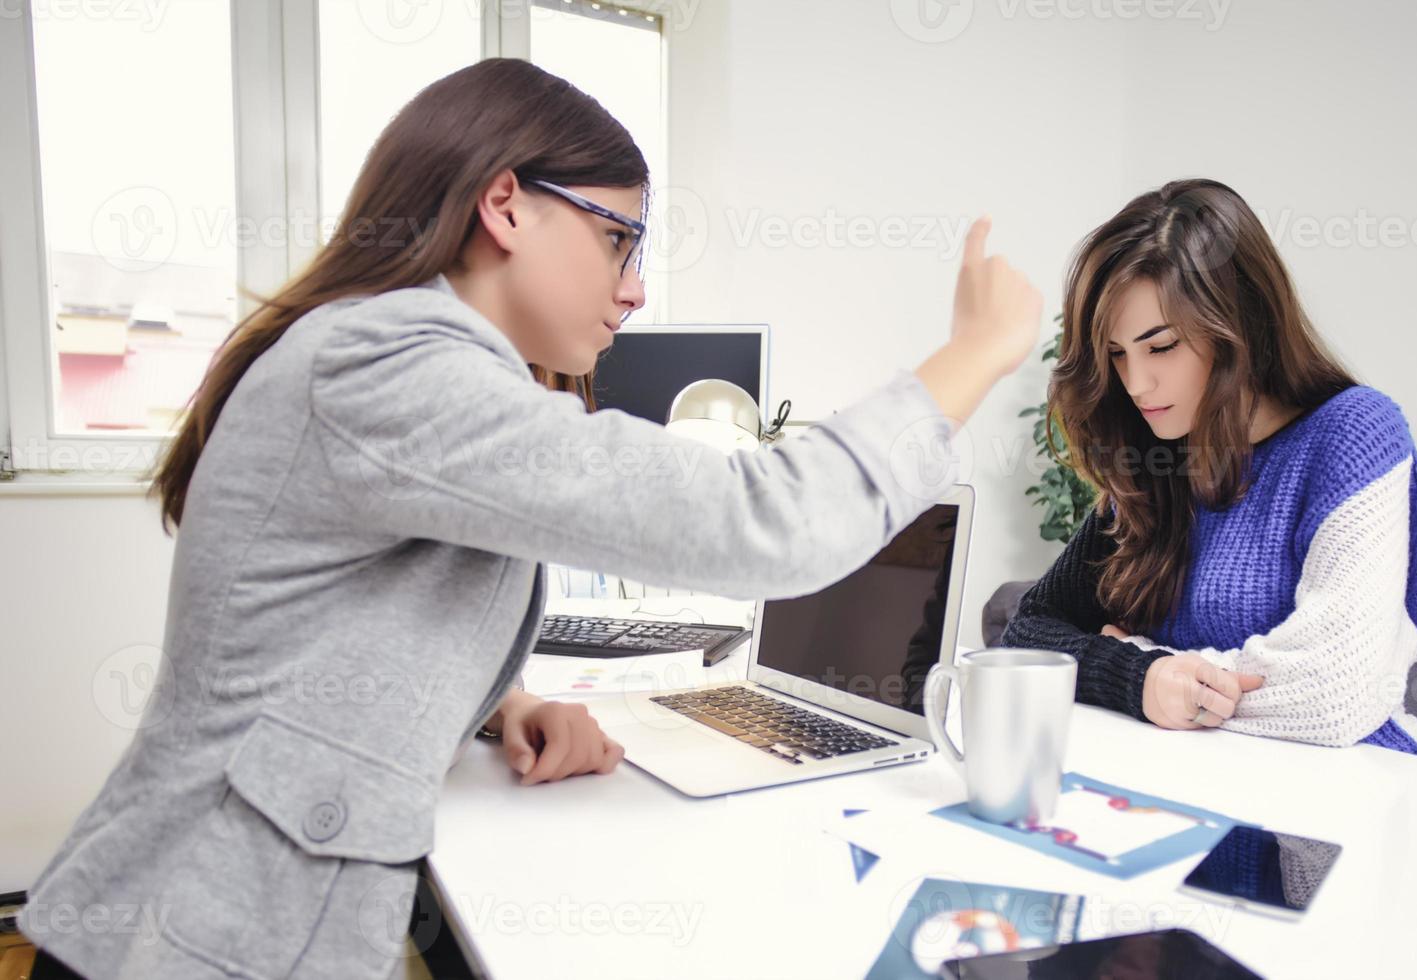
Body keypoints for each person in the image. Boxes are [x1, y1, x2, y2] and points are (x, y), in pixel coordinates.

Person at [21, 59, 1041, 978]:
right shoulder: (394, 362)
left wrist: (500, 699)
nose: (635, 288)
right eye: (616, 239)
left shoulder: (388, 355)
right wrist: (974, 352)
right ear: (504, 203)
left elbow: (351, 616)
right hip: (189, 941)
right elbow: (761, 522)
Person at [1002, 178, 1417, 751]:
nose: (1135, 382)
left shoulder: (1356, 434)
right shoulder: (1157, 457)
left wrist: (1147, 660)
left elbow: (1334, 695)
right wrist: (1140, 679)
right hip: (1184, 795)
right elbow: (1025, 637)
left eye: (1160, 347)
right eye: (1116, 354)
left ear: (1241, 325)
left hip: (1320, 817)